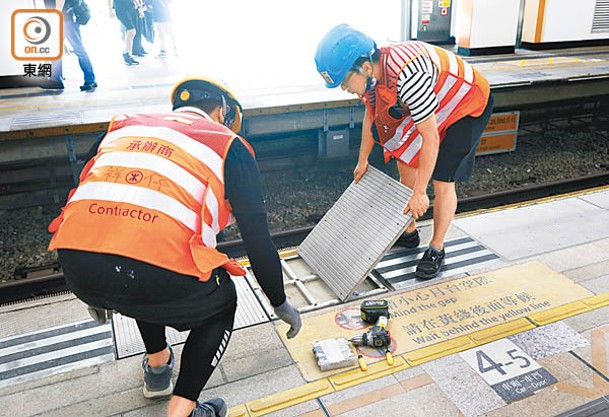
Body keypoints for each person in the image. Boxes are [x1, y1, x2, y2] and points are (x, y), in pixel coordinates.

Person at [47, 77, 302, 417]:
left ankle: (157, 368)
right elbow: (257, 240)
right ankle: (182, 411)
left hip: (76, 264)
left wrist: (92, 284)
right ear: (224, 111)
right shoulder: (228, 144)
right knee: (220, 302)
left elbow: (89, 193)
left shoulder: (124, 126)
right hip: (145, 273)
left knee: (142, 251)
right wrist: (279, 300)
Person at [315, 24, 493, 279]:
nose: (344, 88)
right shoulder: (373, 76)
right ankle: (409, 233)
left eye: (344, 81)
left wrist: (421, 192)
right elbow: (371, 115)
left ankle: (436, 248)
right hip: (436, 104)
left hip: (466, 104)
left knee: (442, 179)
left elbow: (430, 138)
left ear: (364, 68)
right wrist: (362, 160)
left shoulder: (409, 77)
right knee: (406, 163)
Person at [42, 0, 98, 91]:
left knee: (78, 49)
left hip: (66, 20)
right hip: (63, 18)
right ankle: (56, 80)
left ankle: (90, 80)